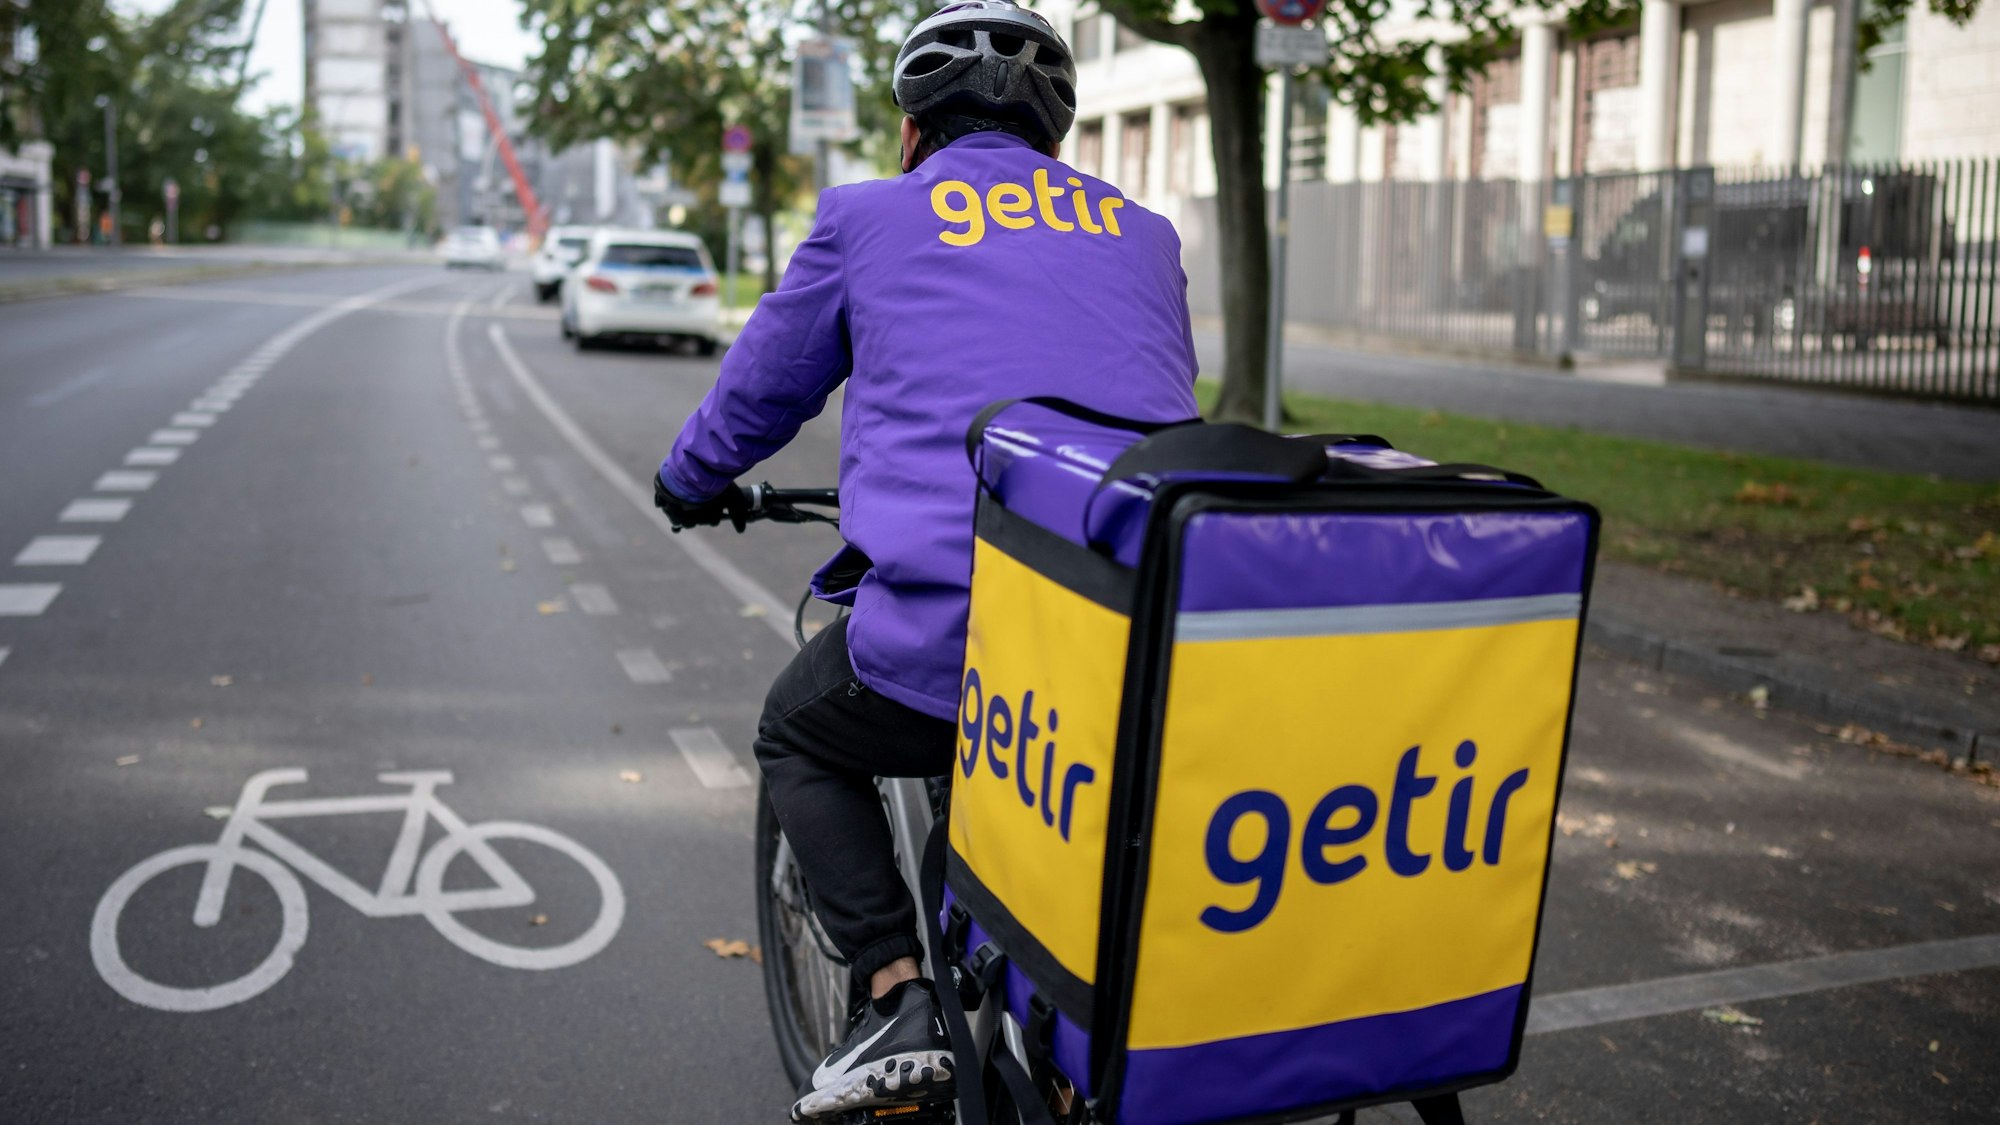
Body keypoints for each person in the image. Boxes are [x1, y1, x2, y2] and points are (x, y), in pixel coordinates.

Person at [653, 2, 1198, 1118]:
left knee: (796, 731)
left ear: (911, 135)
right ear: (1057, 139)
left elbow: (760, 390)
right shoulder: (1143, 234)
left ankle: (894, 992)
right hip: (1130, 633)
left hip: (954, 636)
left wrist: (688, 480)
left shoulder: (868, 217)